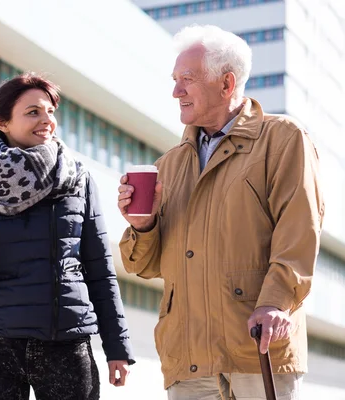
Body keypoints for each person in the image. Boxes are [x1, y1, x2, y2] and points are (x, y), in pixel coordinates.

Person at [118, 25, 324, 400]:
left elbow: (299, 232)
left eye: (187, 80)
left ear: (226, 83)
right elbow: (143, 266)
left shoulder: (282, 139)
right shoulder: (169, 164)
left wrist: (275, 302)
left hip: (256, 347)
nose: (176, 91)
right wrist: (142, 226)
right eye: (175, 79)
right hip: (188, 359)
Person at [0, 72, 134, 400]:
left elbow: (100, 272)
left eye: (50, 111)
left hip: (66, 345)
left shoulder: (78, 183)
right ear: (2, 123)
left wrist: (117, 348)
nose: (47, 120)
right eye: (33, 112)